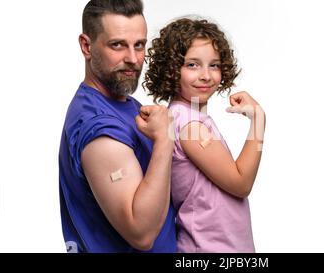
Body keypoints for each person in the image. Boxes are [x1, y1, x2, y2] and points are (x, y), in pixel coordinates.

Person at [58, 0, 177, 253]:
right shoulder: (99, 128)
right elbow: (141, 233)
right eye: (118, 45)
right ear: (86, 46)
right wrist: (166, 139)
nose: (133, 59)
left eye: (139, 45)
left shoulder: (126, 104)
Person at [144, 18, 266, 252]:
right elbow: (241, 184)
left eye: (214, 65)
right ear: (171, 68)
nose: (206, 75)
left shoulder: (185, 118)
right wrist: (258, 120)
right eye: (192, 65)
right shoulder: (190, 125)